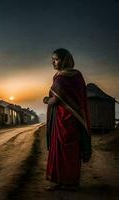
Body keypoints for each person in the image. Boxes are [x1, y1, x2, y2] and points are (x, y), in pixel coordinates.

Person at [43, 48, 91, 190]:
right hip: (61, 120)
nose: (53, 62)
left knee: (70, 152)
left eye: (56, 59)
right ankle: (61, 181)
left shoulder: (65, 78)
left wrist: (47, 100)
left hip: (70, 121)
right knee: (60, 151)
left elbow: (56, 100)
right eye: (52, 59)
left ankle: (70, 182)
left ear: (64, 60)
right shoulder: (75, 76)